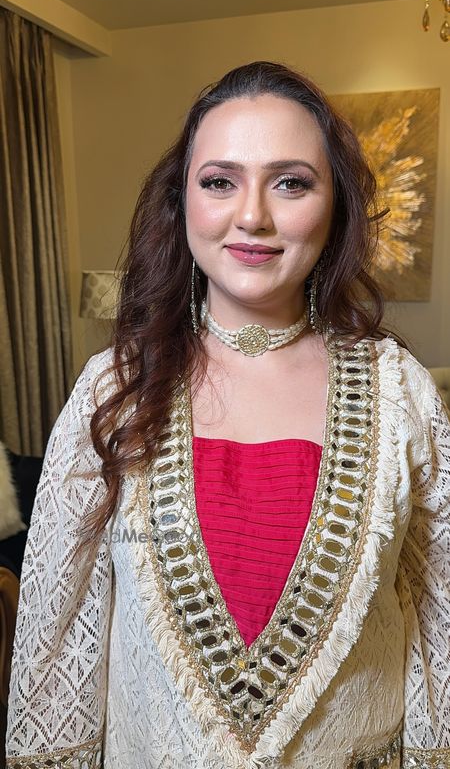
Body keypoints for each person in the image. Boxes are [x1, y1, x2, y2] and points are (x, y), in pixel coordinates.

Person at [5, 62, 450, 769]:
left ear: (335, 206)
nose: (252, 216)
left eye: (291, 182)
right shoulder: (113, 390)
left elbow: (438, 622)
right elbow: (58, 636)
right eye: (220, 181)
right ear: (181, 200)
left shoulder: (401, 394)